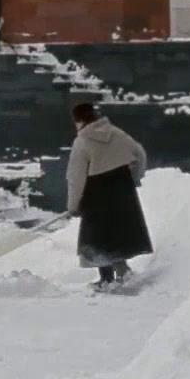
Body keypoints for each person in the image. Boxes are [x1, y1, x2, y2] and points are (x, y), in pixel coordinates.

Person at [65, 102, 152, 288]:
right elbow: (140, 153)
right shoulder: (116, 132)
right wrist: (134, 177)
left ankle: (106, 279)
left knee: (97, 237)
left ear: (79, 121)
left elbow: (76, 177)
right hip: (122, 189)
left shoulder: (82, 142)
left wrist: (73, 206)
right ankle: (123, 271)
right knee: (118, 231)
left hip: (96, 194)